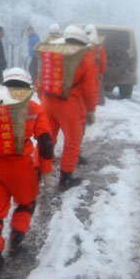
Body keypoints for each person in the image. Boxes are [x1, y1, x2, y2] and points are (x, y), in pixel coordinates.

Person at [0, 68, 53, 276]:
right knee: (27, 201)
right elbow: (45, 142)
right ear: (28, 88)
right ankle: (16, 240)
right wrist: (45, 170)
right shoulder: (34, 108)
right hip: (21, 167)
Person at [39, 26, 99, 191]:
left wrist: (42, 98)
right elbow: (89, 89)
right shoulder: (85, 59)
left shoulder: (52, 54)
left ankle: (38, 171)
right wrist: (91, 109)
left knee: (47, 139)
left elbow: (41, 77)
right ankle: (65, 178)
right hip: (70, 105)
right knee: (72, 141)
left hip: (47, 102)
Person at [85, 24, 107, 106]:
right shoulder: (98, 45)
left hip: (82, 72)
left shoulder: (81, 42)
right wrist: (101, 72)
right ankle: (97, 102)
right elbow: (103, 60)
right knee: (96, 90)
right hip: (95, 72)